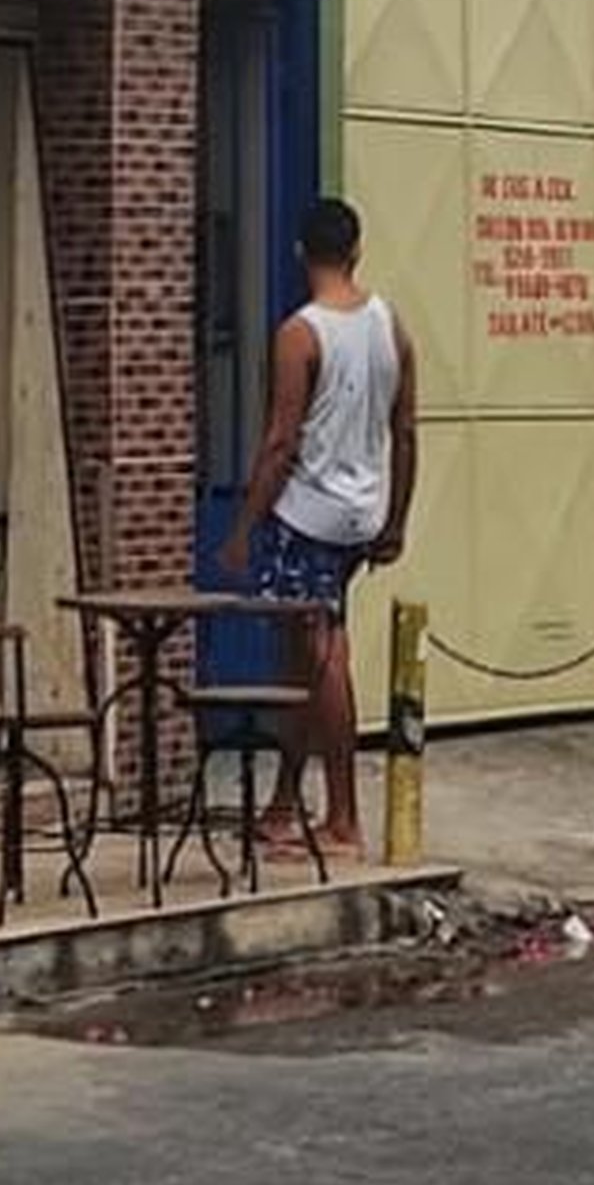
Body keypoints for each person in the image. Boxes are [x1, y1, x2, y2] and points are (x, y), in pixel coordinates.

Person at [226, 198, 415, 862]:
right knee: (295, 659)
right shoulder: (389, 326)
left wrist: (245, 525)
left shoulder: (300, 333)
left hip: (306, 513)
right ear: (357, 249)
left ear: (302, 253)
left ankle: (342, 816)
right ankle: (285, 802)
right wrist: (395, 519)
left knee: (321, 650)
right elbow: (406, 429)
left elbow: (281, 440)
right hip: (361, 511)